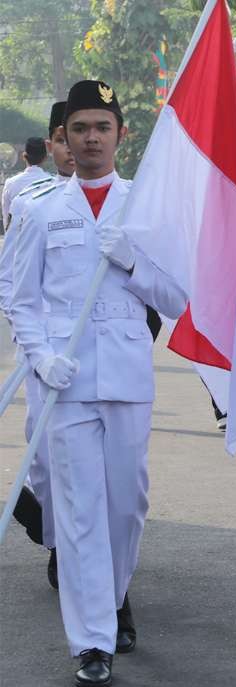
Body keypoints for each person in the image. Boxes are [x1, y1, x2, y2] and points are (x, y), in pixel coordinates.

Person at [9, 80, 186, 687]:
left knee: (126, 501)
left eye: (101, 128)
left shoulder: (146, 208)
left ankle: (111, 600)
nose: (90, 138)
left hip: (128, 374)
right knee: (80, 508)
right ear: (64, 137)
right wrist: (39, 356)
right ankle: (91, 641)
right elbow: (20, 296)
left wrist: (135, 263)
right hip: (66, 380)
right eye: (80, 128)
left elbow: (178, 298)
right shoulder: (39, 209)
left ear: (120, 134)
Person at [0, 100, 74, 589]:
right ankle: (52, 538)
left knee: (101, 472)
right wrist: (35, 346)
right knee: (45, 458)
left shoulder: (122, 200)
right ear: (50, 146)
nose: (77, 147)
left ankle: (74, 554)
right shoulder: (32, 198)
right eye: (67, 137)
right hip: (44, 356)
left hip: (98, 359)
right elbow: (11, 281)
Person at [2, 137, 49, 229]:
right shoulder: (52, 183)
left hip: (17, 239)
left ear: (24, 156)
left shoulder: (10, 183)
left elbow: (6, 218)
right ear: (45, 158)